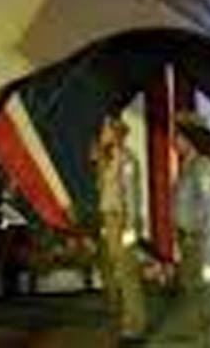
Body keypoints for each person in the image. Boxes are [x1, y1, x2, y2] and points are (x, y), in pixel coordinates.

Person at [160, 111, 210, 347]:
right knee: (196, 303)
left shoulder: (203, 168)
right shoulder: (189, 166)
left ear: (190, 138)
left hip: (204, 245)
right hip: (190, 243)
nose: (175, 142)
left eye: (179, 137)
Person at [91, 114, 146, 343]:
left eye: (105, 131)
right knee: (119, 275)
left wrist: (131, 226)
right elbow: (103, 192)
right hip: (110, 219)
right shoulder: (110, 160)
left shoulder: (127, 161)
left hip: (122, 219)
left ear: (116, 134)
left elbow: (132, 196)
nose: (102, 135)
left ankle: (135, 326)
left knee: (128, 275)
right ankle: (126, 321)